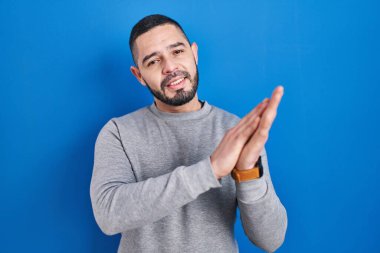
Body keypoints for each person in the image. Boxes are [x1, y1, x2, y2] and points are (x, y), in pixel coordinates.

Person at [90, 14, 287, 253]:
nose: (170, 67)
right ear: (138, 75)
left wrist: (248, 173)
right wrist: (210, 170)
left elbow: (271, 239)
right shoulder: (118, 133)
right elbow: (109, 216)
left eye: (177, 52)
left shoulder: (236, 132)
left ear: (194, 54)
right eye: (153, 61)